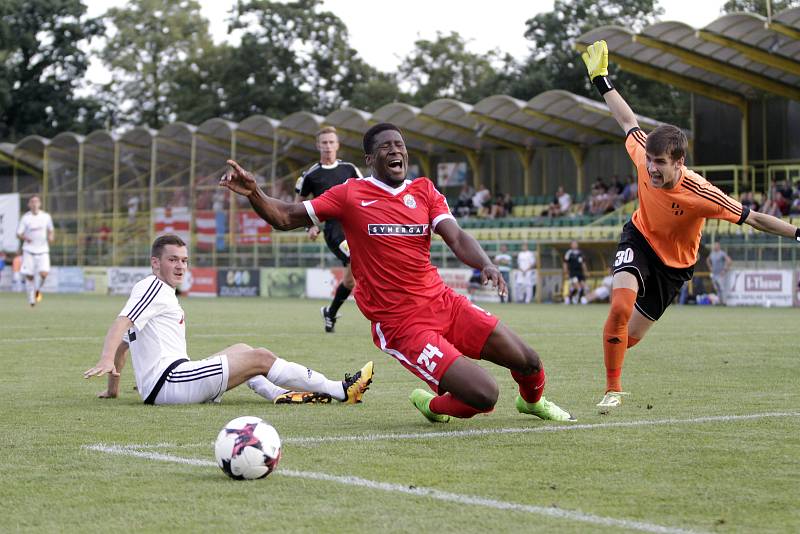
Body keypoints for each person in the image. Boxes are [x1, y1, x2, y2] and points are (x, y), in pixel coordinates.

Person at [221, 123, 574, 423]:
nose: (396, 151)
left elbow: (456, 235)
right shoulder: (349, 194)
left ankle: (532, 403)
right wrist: (255, 193)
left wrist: (486, 264)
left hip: (443, 303)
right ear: (370, 159)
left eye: (400, 145)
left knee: (528, 360)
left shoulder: (424, 191)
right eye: (386, 146)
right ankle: (432, 404)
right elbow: (285, 216)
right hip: (402, 324)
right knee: (485, 395)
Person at [580, 40, 800, 409]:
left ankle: (614, 347)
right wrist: (601, 79)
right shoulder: (643, 156)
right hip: (639, 237)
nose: (652, 168)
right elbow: (627, 121)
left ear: (679, 161)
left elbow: (755, 218)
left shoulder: (703, 193)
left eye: (661, 162)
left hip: (675, 266)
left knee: (628, 336)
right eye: (650, 160)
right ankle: (612, 389)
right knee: (619, 307)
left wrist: (797, 232)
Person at [83, 234, 373, 406]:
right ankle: (340, 389)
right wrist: (105, 358)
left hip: (170, 380)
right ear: (155, 263)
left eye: (184, 260)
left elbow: (125, 344)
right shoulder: (153, 287)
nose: (181, 265)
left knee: (242, 349)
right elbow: (121, 325)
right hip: (170, 383)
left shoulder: (155, 292)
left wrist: (113, 390)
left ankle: (280, 395)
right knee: (260, 357)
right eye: (173, 260)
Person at [295, 126, 363, 333]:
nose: (328, 146)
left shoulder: (350, 169)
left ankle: (330, 313)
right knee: (359, 258)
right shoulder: (311, 175)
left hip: (354, 226)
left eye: (331, 142)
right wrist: (310, 225)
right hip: (334, 229)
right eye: (324, 143)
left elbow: (366, 193)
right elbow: (299, 204)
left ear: (337, 145)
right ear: (318, 146)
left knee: (350, 281)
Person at [16, 194, 54, 307]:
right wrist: (25, 238)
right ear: (29, 204)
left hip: (43, 250)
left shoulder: (46, 216)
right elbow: (19, 233)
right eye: (32, 201)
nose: (34, 204)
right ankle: (31, 299)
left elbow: (51, 230)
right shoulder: (26, 218)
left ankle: (38, 289)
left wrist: (51, 236)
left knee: (44, 273)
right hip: (29, 250)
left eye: (36, 201)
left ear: (40, 204)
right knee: (29, 276)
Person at [563, 240, 589, 305]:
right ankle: (570, 298)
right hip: (573, 273)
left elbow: (583, 263)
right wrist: (566, 272)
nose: (575, 245)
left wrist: (586, 271)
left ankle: (575, 298)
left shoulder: (580, 253)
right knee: (578, 287)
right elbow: (565, 263)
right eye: (573, 244)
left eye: (576, 244)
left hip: (580, 273)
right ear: (571, 245)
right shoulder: (569, 253)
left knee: (585, 287)